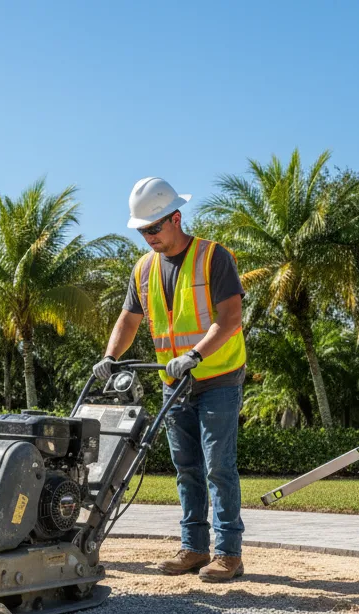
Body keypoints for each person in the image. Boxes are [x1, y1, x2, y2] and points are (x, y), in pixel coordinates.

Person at [95, 177, 248, 582]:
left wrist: (196, 354)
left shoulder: (214, 257)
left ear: (175, 218)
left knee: (218, 465)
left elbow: (230, 319)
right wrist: (111, 356)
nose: (148, 238)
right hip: (173, 381)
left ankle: (229, 552)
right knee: (186, 466)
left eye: (154, 228)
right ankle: (194, 548)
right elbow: (129, 319)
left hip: (218, 376)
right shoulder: (143, 269)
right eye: (142, 230)